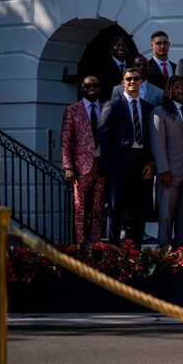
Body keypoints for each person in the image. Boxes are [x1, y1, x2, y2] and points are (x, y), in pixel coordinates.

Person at [96, 68, 156, 246]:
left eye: (136, 79)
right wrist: (115, 158)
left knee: (139, 208)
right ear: (123, 82)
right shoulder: (112, 105)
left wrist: (151, 161)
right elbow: (102, 133)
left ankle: (136, 252)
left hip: (142, 161)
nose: (132, 82)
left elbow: (152, 137)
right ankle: (114, 252)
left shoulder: (147, 107)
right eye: (128, 79)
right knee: (116, 208)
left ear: (140, 82)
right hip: (120, 161)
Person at [61, 75, 106, 245]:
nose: (91, 88)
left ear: (99, 88)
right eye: (87, 86)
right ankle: (81, 244)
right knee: (80, 208)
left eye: (95, 85)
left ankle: (94, 244)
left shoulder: (105, 108)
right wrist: (68, 165)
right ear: (82, 88)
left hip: (102, 165)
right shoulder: (73, 110)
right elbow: (66, 140)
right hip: (81, 168)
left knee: (97, 208)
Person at [150, 76, 183, 248]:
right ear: (169, 90)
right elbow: (157, 145)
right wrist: (163, 171)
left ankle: (182, 251)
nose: (181, 90)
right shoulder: (159, 113)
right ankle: (164, 250)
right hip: (169, 173)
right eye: (176, 87)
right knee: (166, 215)